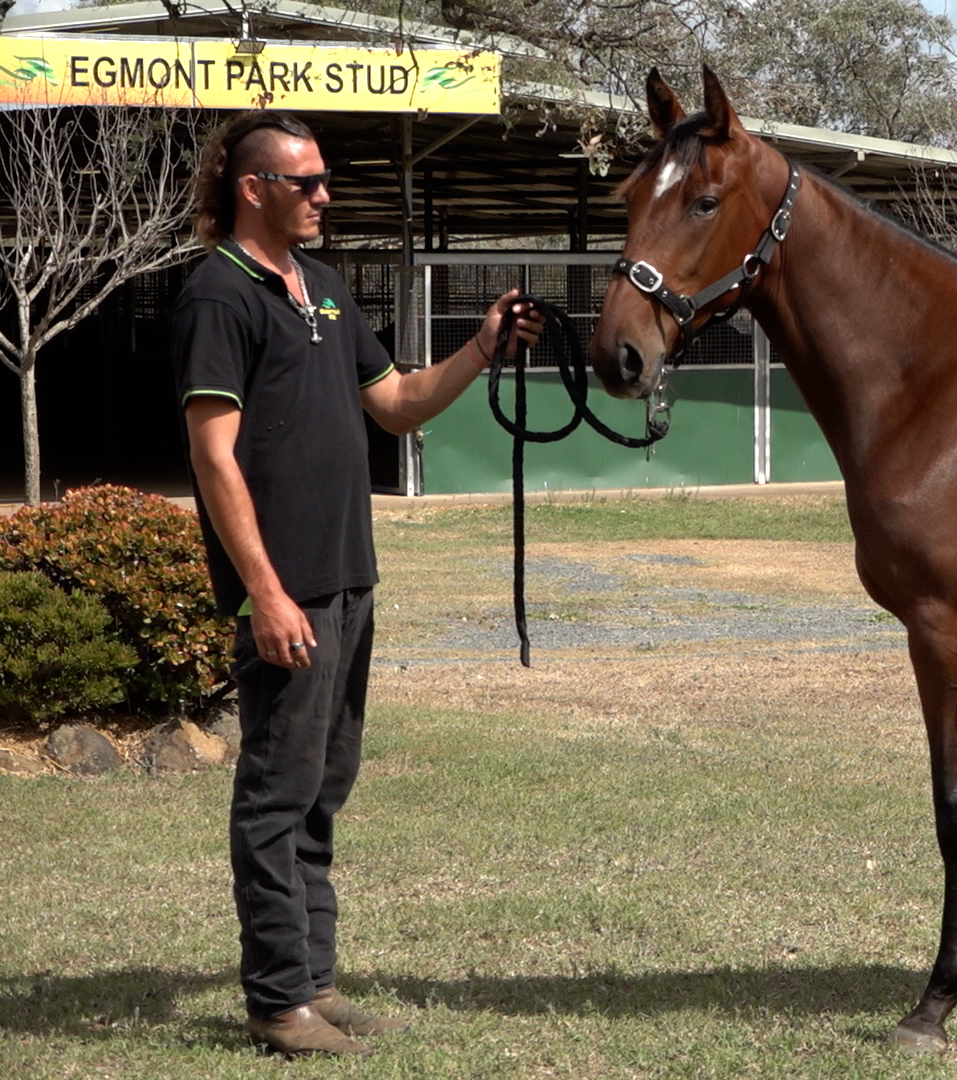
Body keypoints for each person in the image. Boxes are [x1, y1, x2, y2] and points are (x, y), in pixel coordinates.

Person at [172, 110, 544, 1057]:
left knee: (323, 785)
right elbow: (213, 458)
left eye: (324, 180)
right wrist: (264, 592)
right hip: (287, 586)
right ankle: (276, 1003)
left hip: (348, 577)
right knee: (276, 790)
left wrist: (482, 346)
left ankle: (315, 982)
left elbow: (399, 406)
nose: (325, 196)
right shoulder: (219, 295)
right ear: (254, 188)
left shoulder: (327, 289)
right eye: (307, 182)